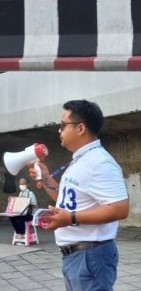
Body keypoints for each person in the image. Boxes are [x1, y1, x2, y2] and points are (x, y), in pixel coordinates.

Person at [29, 100, 129, 291]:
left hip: (90, 255)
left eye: (62, 125)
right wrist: (47, 178)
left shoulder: (100, 163)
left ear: (81, 128)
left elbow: (120, 209)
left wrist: (70, 218)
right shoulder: (82, 160)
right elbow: (66, 201)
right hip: (77, 256)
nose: (59, 131)